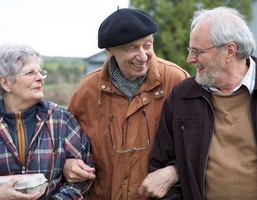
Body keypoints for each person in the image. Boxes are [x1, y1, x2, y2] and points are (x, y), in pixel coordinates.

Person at [147, 6, 257, 200]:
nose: (190, 59)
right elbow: (160, 167)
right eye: (190, 50)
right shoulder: (182, 96)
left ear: (230, 51)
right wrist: (175, 171)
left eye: (197, 51)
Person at [64, 7, 190, 200]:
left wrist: (175, 171)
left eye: (147, 45)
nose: (142, 56)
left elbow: (201, 143)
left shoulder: (176, 81)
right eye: (132, 48)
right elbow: (65, 146)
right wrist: (68, 164)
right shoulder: (87, 91)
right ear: (110, 51)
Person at [0, 43, 95, 199]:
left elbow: (84, 176)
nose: (40, 78)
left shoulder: (60, 119)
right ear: (6, 83)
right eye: (30, 73)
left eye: (40, 72)